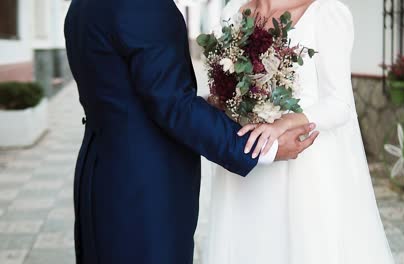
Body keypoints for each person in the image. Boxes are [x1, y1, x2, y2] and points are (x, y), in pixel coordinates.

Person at [64, 0, 319, 263]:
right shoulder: (145, 6)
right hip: (143, 189)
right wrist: (265, 148)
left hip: (99, 172)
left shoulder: (82, 5)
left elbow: (140, 91)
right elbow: (173, 104)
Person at [202, 0, 395, 263]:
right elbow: (226, 84)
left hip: (300, 172)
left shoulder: (326, 13)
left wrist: (286, 122)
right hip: (244, 167)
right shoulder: (232, 11)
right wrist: (220, 100)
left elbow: (341, 104)